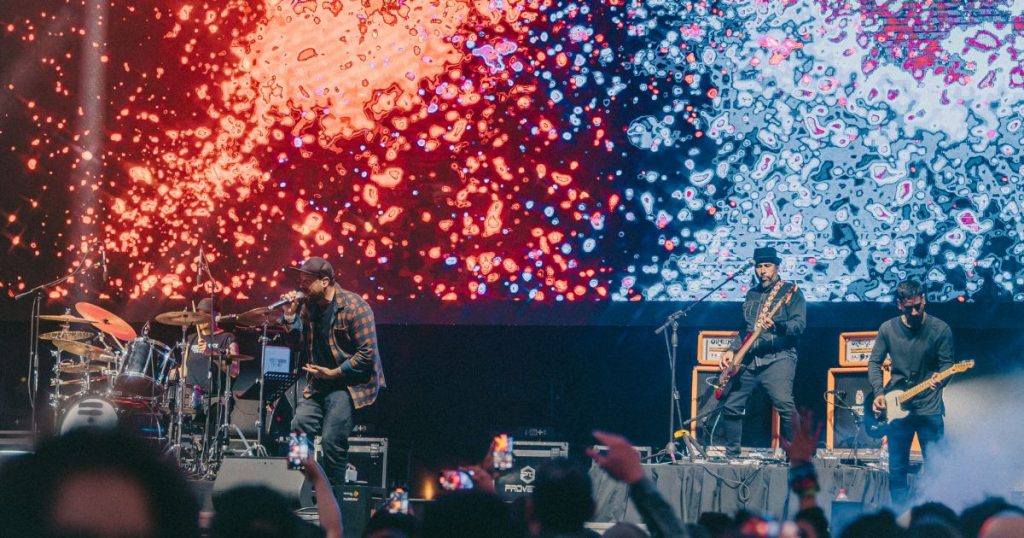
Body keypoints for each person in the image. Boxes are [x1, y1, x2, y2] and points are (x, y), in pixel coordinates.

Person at [280, 256, 386, 486]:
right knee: (299, 428)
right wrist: (289, 316)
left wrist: (334, 372)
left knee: (331, 440)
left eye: (306, 281)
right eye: (300, 281)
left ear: (325, 281)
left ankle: (333, 496)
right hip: (320, 382)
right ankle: (299, 487)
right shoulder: (309, 308)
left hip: (348, 384)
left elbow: (367, 355)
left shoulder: (355, 307)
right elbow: (296, 345)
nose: (301, 286)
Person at [868, 279, 953, 506]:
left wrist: (941, 379)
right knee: (897, 470)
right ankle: (900, 517)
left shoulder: (940, 330)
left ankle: (934, 518)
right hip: (897, 407)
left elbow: (948, 365)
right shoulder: (887, 329)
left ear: (924, 300)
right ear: (899, 305)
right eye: (909, 308)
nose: (915, 312)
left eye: (919, 305)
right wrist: (878, 393)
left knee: (936, 468)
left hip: (929, 409)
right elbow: (874, 362)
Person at [717, 246, 806, 456]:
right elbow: (745, 329)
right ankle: (732, 455)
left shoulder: (790, 291)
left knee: (784, 404)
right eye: (759, 266)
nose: (762, 271)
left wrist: (776, 325)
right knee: (732, 405)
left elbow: (799, 326)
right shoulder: (752, 294)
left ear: (776, 267)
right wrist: (732, 349)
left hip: (779, 356)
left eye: (767, 266)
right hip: (750, 358)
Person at [177, 297, 240, 424]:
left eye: (205, 314)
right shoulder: (191, 338)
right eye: (198, 314)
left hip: (216, 399)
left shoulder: (227, 339)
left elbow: (234, 371)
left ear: (217, 316)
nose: (200, 318)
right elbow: (184, 371)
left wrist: (210, 353)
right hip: (190, 396)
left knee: (211, 435)